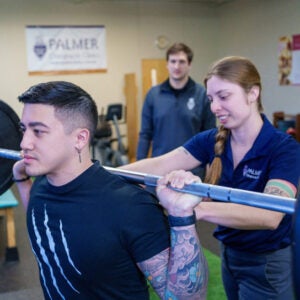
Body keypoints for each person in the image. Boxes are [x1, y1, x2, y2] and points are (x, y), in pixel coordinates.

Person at [121, 56, 300, 299]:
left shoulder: (283, 148)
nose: (215, 107)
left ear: (253, 93)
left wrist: (192, 211)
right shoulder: (210, 140)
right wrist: (103, 174)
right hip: (229, 254)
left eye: (224, 97)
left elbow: (269, 216)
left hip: (267, 263)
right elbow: (159, 164)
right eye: (211, 99)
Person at [12, 81, 208, 300]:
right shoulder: (41, 186)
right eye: (24, 129)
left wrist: (181, 216)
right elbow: (42, 231)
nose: (24, 142)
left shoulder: (131, 206)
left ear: (80, 138)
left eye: (38, 131)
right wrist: (21, 179)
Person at [137, 42, 215, 178]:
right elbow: (145, 135)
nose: (176, 66)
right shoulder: (153, 95)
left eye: (182, 62)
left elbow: (210, 136)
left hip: (192, 174)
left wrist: (211, 173)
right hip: (159, 172)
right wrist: (136, 173)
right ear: (167, 64)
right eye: (173, 61)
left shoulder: (202, 95)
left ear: (189, 64)